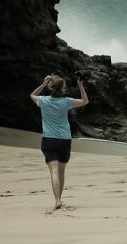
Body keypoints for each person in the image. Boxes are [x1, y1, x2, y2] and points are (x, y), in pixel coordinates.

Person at [29, 74, 89, 211]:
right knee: (61, 171)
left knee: (54, 172)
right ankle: (59, 199)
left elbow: (32, 95)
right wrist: (80, 85)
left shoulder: (43, 100)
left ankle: (57, 200)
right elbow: (85, 101)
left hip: (49, 140)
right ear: (63, 88)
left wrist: (43, 84)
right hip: (64, 140)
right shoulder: (66, 101)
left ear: (51, 87)